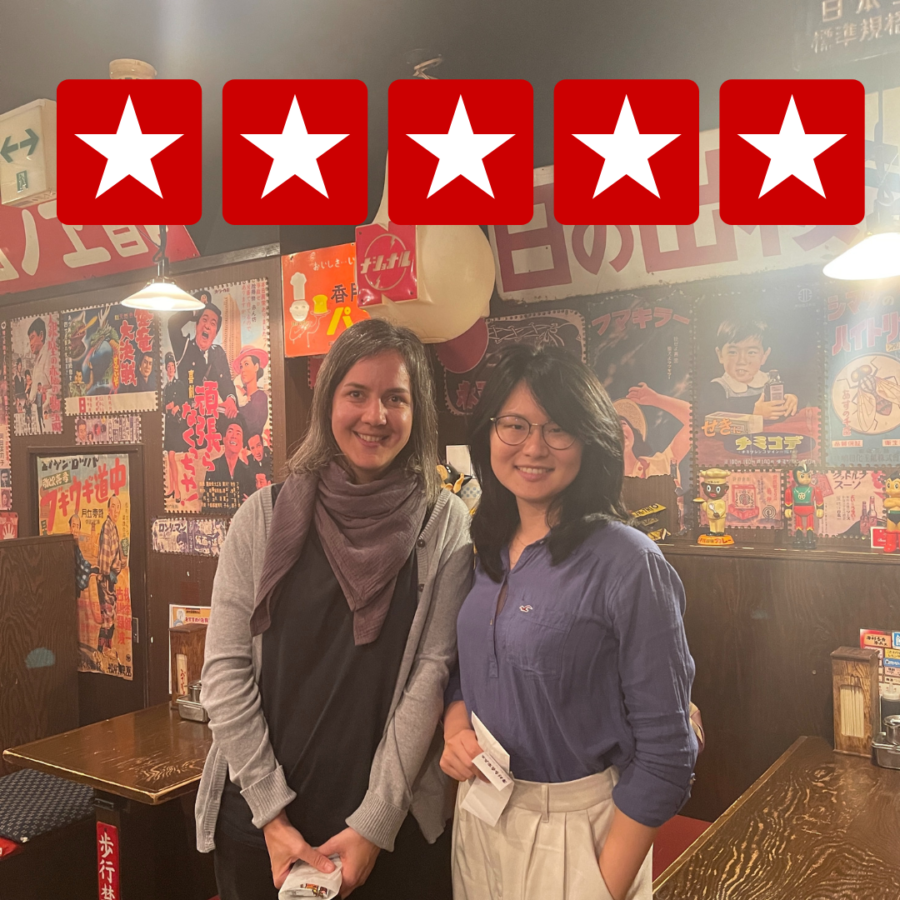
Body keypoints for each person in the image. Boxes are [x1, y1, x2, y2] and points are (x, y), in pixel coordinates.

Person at [196, 319, 473, 900]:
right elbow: (223, 673)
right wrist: (273, 816)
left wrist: (373, 824)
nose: (376, 416)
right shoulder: (262, 517)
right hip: (261, 824)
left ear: (417, 411)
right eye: (357, 394)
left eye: (395, 398)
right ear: (328, 403)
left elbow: (432, 672)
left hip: (387, 827)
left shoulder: (442, 523)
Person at [441, 345, 697, 900]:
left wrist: (601, 883)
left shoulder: (628, 561)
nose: (533, 447)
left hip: (580, 833)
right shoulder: (481, 548)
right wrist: (455, 729)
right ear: (489, 434)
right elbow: (467, 672)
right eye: (514, 425)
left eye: (558, 429)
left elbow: (669, 750)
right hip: (480, 817)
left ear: (591, 440)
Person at [698, 318, 798, 421]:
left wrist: (790, 400)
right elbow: (710, 419)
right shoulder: (717, 388)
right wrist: (753, 414)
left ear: (764, 356)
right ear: (720, 355)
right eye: (732, 352)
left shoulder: (772, 381)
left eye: (751, 352)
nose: (742, 361)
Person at [168, 293, 238, 417]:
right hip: (188, 421)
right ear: (197, 325)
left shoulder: (218, 353)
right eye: (204, 320)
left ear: (215, 333)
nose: (207, 326)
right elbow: (173, 324)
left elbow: (226, 382)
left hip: (211, 423)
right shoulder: (184, 347)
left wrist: (230, 399)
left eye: (212, 323)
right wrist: (195, 310)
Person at [97, 494, 126, 657]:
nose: (115, 510)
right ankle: (103, 649)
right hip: (107, 578)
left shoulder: (113, 526)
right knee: (108, 617)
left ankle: (103, 648)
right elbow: (105, 556)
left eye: (118, 507)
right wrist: (106, 575)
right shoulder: (107, 526)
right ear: (108, 509)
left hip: (110, 577)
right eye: (112, 506)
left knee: (109, 615)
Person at [208, 416, 255, 504]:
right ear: (224, 439)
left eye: (238, 433)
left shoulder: (248, 472)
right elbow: (208, 503)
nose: (234, 436)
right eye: (230, 431)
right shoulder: (212, 467)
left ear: (241, 444)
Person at [163, 352, 190, 504]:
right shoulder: (165, 388)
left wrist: (177, 405)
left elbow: (185, 398)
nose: (171, 369)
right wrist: (168, 406)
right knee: (169, 457)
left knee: (172, 457)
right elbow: (161, 407)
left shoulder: (179, 384)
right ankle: (172, 487)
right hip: (168, 424)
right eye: (168, 367)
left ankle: (177, 489)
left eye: (172, 366)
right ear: (166, 370)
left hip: (176, 424)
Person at [233, 346, 270, 438]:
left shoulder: (260, 397)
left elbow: (252, 427)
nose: (243, 370)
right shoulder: (239, 396)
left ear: (256, 367)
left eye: (246, 364)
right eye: (241, 366)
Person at [27, 318, 52, 426]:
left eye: (32, 338)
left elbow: (55, 389)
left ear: (41, 336)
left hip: (47, 417)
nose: (30, 344)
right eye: (29, 340)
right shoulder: (37, 360)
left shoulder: (49, 356)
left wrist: (43, 406)